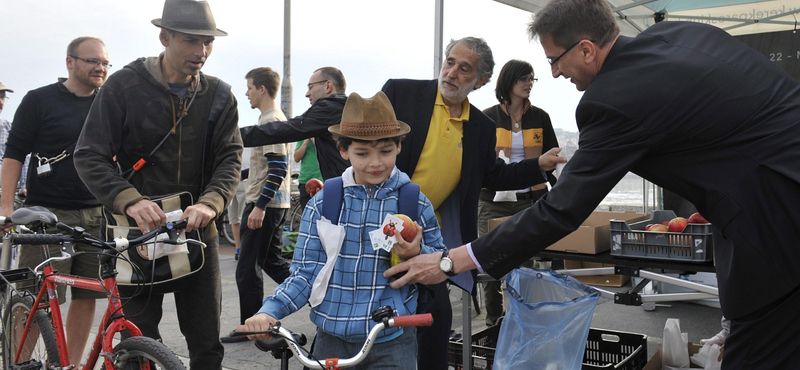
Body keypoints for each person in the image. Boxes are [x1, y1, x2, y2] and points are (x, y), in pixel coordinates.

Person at [385, 0, 800, 368]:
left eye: (555, 60)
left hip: (776, 229)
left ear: (586, 48)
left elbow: (561, 210)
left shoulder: (612, 98)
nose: (553, 72)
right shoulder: (677, 34)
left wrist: (449, 261)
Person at [73, 0, 241, 368]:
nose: (201, 52)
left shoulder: (220, 94)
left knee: (207, 345)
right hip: (135, 235)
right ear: (164, 37)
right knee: (138, 341)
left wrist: (211, 203)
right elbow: (88, 154)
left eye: (208, 42)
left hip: (197, 233)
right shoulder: (123, 86)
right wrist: (129, 199)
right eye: (191, 41)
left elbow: (230, 158)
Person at [381, 36, 565, 370]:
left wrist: (537, 166)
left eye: (464, 69)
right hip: (378, 232)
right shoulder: (401, 94)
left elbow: (493, 176)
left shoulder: (481, 126)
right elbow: (359, 138)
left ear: (480, 81)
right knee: (378, 320)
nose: (451, 72)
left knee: (436, 316)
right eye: (450, 61)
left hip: (430, 240)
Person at [243, 91, 446, 369]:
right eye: (362, 153)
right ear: (343, 150)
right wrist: (269, 311)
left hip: (393, 339)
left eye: (385, 151)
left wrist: (417, 253)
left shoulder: (413, 202)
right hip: (330, 340)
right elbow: (305, 274)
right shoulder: (325, 203)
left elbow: (442, 263)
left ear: (399, 146)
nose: (375, 163)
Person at [0, 37, 110, 366]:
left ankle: (69, 364)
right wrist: (6, 207)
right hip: (46, 217)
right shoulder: (39, 100)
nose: (100, 68)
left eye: (105, 62)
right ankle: (21, 363)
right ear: (70, 62)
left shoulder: (108, 103)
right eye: (92, 61)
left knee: (88, 295)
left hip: (96, 214)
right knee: (37, 299)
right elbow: (14, 154)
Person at [478, 59, 559, 327]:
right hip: (492, 203)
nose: (528, 83)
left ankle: (525, 322)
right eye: (523, 78)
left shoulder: (541, 117)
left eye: (532, 79)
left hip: (530, 201)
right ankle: (493, 323)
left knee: (527, 267)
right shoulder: (487, 118)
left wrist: (560, 193)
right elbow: (476, 164)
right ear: (509, 81)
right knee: (489, 264)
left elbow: (552, 160)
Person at [221, 67, 291, 343]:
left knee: (247, 268)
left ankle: (252, 328)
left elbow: (277, 168)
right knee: (272, 262)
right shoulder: (272, 118)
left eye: (249, 87)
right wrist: (241, 176)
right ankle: (319, 295)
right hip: (275, 203)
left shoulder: (270, 120)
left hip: (265, 205)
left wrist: (259, 206)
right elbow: (266, 167)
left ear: (262, 89)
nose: (246, 93)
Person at [239, 67, 349, 180]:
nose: (307, 94)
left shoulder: (328, 108)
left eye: (311, 87)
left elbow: (286, 129)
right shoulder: (345, 109)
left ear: (328, 86)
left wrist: (233, 135)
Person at [0, 81, 29, 209]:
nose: (1, 102)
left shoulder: (9, 128)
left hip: (6, 195)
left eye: (2, 97)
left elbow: (23, 156)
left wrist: (24, 186)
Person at [294, 138, 322, 210]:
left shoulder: (324, 137)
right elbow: (296, 158)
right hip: (305, 181)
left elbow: (327, 153)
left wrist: (315, 141)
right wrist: (305, 142)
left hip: (321, 181)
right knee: (306, 213)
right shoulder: (302, 138)